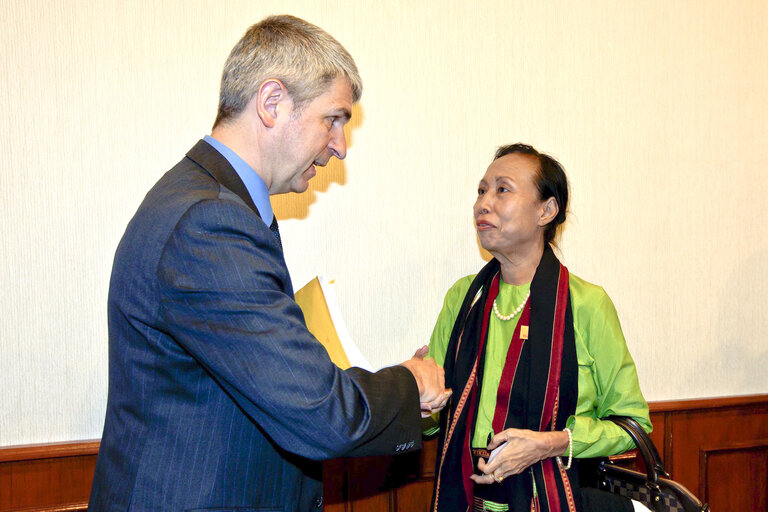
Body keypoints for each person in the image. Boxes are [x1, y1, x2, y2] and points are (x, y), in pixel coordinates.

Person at [89, 15, 449, 512]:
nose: (341, 147)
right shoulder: (209, 221)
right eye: (334, 119)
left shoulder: (211, 203)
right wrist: (411, 381)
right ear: (273, 102)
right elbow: (321, 414)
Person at [428, 144, 651, 511]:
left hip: (555, 497)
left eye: (502, 189)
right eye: (482, 190)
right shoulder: (463, 299)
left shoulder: (586, 303)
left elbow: (633, 426)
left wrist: (553, 442)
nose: (483, 203)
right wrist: (420, 397)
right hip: (469, 498)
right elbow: (435, 423)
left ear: (546, 210)